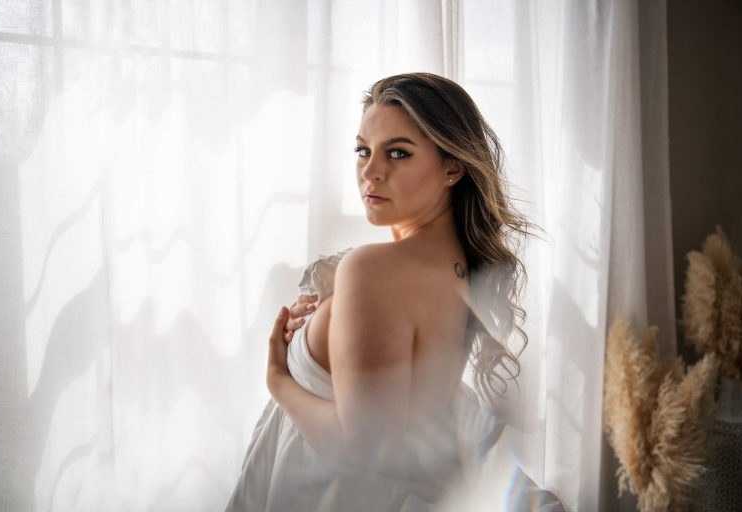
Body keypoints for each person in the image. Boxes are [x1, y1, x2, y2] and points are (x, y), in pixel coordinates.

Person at [226, 73, 535, 511]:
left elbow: (363, 450)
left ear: (453, 166)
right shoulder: (456, 269)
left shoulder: (375, 272)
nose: (370, 171)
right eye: (362, 150)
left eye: (398, 153)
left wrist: (279, 380)